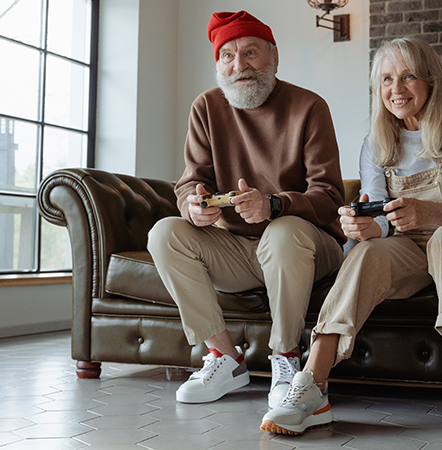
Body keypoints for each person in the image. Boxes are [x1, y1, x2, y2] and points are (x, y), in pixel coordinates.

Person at [260, 37, 442, 441]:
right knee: (366, 253)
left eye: (408, 76)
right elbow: (381, 222)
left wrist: (431, 213)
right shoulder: (376, 143)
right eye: (386, 80)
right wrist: (363, 227)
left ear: (430, 80)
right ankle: (311, 386)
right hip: (412, 245)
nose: (396, 89)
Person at [147, 11, 345, 409]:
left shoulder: (309, 107)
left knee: (283, 231)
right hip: (239, 251)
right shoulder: (206, 107)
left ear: (274, 58)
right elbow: (189, 182)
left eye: (251, 53)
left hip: (307, 247)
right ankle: (225, 358)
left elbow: (329, 197)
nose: (240, 66)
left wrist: (274, 205)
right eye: (228, 56)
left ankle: (286, 359)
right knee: (164, 233)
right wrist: (194, 205)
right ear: (218, 65)